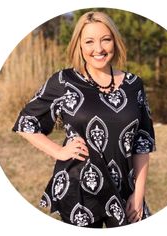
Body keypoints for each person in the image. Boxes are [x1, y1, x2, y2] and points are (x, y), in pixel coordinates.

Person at [12, 11, 156, 228]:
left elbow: (142, 142)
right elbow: (26, 122)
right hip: (79, 188)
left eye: (105, 39)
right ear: (79, 45)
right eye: (89, 41)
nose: (98, 49)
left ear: (115, 42)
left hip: (125, 189)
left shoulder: (134, 84)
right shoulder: (63, 81)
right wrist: (58, 151)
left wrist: (138, 192)